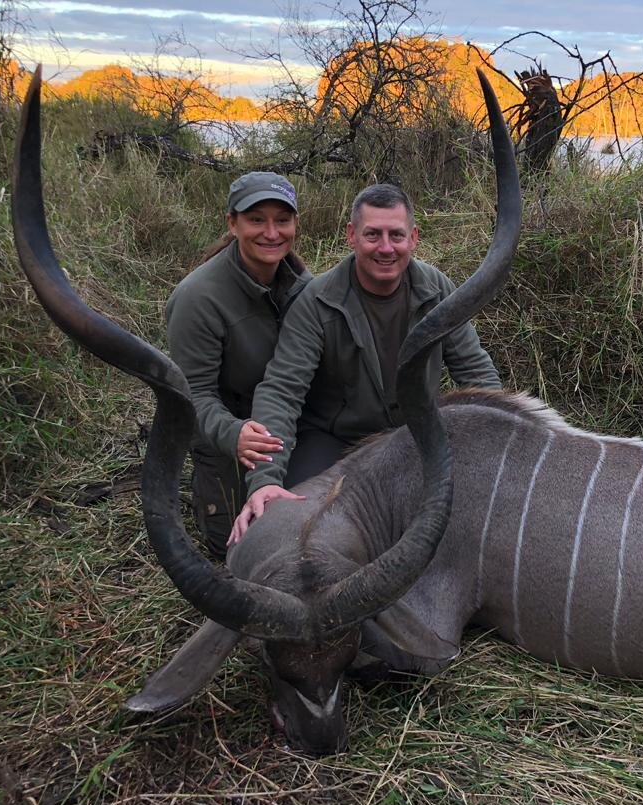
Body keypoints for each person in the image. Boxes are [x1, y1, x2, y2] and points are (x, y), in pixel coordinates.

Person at [229, 183, 501, 543]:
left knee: (474, 516)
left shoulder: (437, 289)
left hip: (415, 435)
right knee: (295, 524)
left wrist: (503, 440)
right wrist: (264, 482)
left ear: (414, 238)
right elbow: (282, 391)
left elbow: (475, 371)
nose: (386, 248)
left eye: (396, 235)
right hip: (335, 441)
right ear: (351, 236)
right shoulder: (316, 301)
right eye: (373, 235)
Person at [165, 171, 313, 558]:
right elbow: (190, 395)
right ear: (232, 223)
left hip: (290, 421)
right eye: (256, 219)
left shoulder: (305, 286)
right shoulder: (197, 298)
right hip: (235, 434)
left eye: (282, 220)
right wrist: (233, 433)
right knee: (244, 544)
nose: (271, 232)